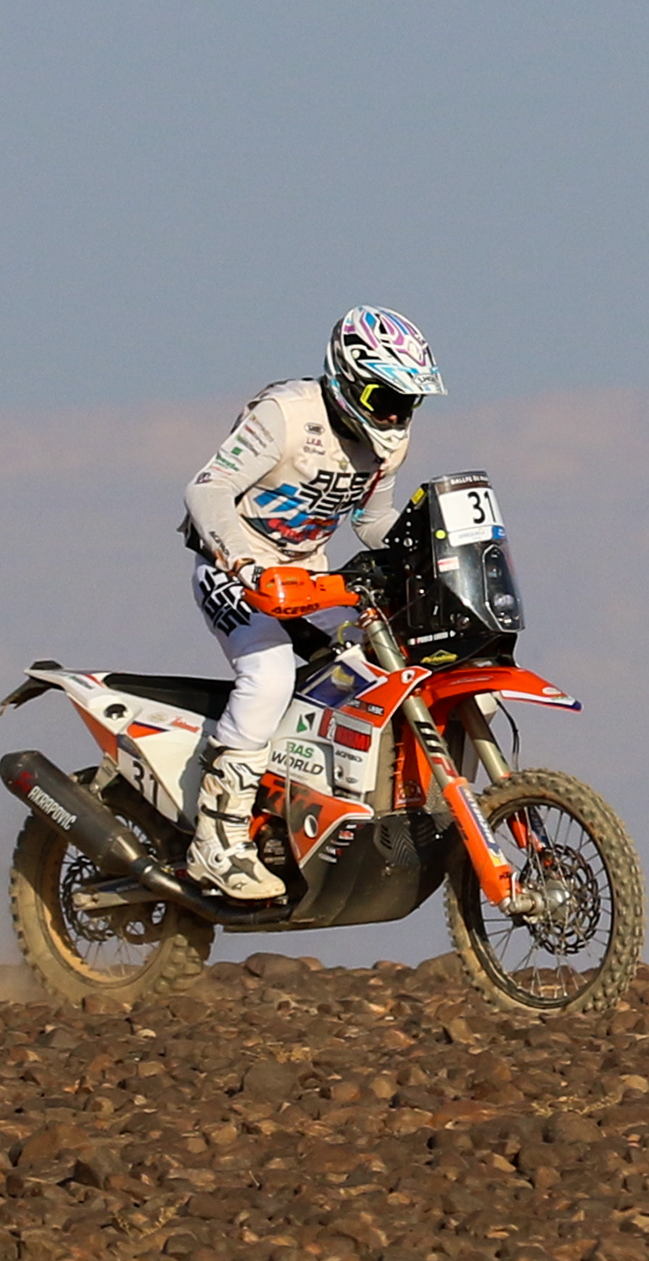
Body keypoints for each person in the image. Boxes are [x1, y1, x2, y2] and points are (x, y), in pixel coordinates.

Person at [175, 308, 443, 899]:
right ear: (348, 378)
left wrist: (429, 552)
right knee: (269, 674)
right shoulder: (287, 415)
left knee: (390, 670)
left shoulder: (387, 448)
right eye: (385, 396)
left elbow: (373, 524)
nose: (396, 414)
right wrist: (244, 563)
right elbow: (207, 488)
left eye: (407, 402)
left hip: (311, 582)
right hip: (234, 570)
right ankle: (215, 844)